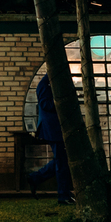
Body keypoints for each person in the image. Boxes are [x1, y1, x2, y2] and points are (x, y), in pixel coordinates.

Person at [26, 74, 74, 204]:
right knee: (62, 162)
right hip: (53, 129)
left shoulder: (48, 84)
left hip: (55, 128)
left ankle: (35, 178)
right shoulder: (44, 84)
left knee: (61, 160)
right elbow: (45, 104)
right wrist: (63, 101)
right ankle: (63, 196)